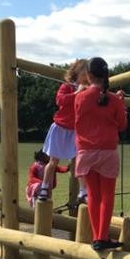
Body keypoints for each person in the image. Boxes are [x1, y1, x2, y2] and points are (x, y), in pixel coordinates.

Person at [74, 57, 127, 250]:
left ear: (88, 75)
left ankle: (98, 237)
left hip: (85, 152)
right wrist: (121, 103)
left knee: (93, 196)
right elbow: (122, 125)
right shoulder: (114, 100)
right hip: (107, 152)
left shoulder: (79, 97)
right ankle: (102, 237)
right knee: (107, 196)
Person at [38, 59, 89, 202]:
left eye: (88, 73)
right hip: (60, 128)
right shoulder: (67, 87)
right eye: (84, 72)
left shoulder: (87, 89)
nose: (86, 76)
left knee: (79, 161)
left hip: (75, 131)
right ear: (77, 72)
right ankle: (44, 187)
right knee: (53, 161)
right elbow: (59, 100)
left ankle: (83, 191)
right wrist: (76, 93)